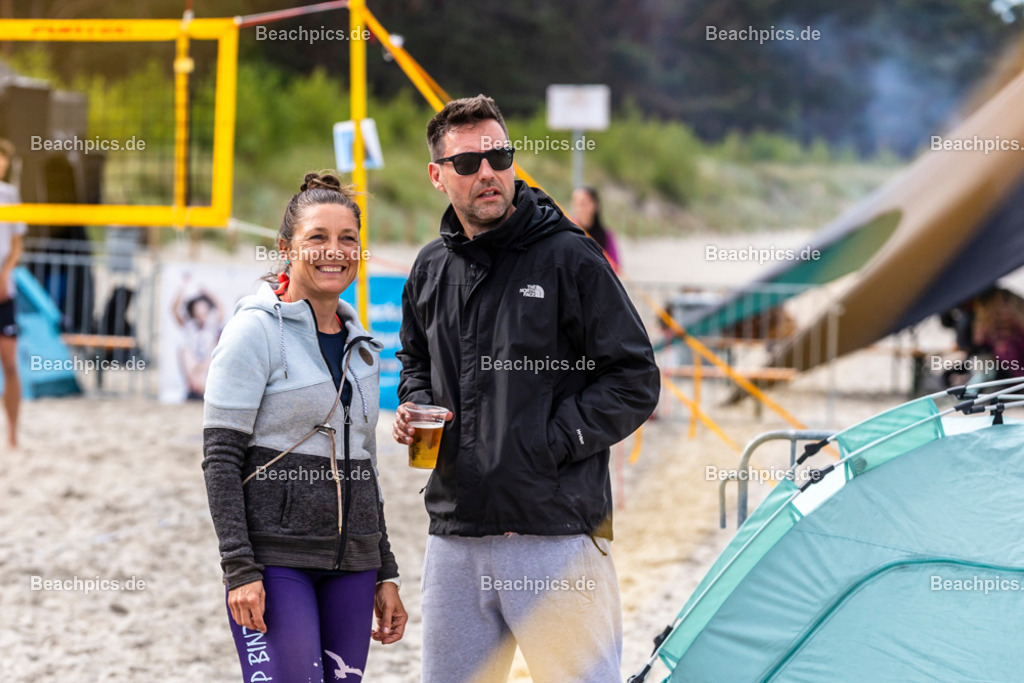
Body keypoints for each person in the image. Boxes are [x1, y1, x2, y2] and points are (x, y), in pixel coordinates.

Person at [395, 96, 660, 682]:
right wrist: (412, 405)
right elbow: (413, 359)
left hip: (556, 535)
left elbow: (635, 377)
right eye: (467, 164)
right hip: (456, 535)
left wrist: (550, 442)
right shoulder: (430, 267)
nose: (487, 172)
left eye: (499, 156)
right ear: (438, 176)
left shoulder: (570, 256)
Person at [202, 173, 406, 682]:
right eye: (317, 237)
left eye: (348, 240)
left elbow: (365, 467)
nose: (333, 251)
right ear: (286, 247)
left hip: (353, 566)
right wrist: (240, 570)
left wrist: (384, 569)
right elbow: (220, 459)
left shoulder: (364, 348)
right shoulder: (254, 331)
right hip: (275, 562)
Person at [0, 139, 25, 449]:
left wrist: (4, 274)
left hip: (4, 289)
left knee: (10, 363)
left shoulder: (10, 196)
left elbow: (17, 246)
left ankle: (14, 434)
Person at [171, 275, 225, 399]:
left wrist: (206, 292)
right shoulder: (189, 325)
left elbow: (221, 307)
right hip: (193, 365)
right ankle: (197, 385)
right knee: (184, 350)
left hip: (208, 363)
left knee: (215, 348)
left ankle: (199, 386)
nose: (201, 315)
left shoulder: (213, 323)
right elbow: (174, 309)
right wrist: (182, 288)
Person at [570, 185, 621, 270]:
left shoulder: (606, 235)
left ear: (595, 205)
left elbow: (615, 267)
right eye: (576, 203)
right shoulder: (568, 230)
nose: (579, 208)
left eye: (583, 203)